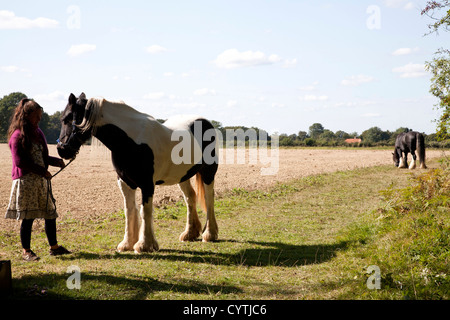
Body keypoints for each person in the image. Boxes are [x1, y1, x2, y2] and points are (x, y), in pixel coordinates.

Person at [5, 98, 71, 261]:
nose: (39, 120)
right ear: (26, 115)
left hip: (41, 181)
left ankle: (54, 248)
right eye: (37, 116)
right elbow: (20, 162)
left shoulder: (38, 132)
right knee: (28, 218)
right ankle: (26, 251)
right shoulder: (17, 136)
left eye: (40, 116)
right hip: (26, 182)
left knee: (50, 214)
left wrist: (56, 162)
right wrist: (42, 171)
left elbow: (43, 157)